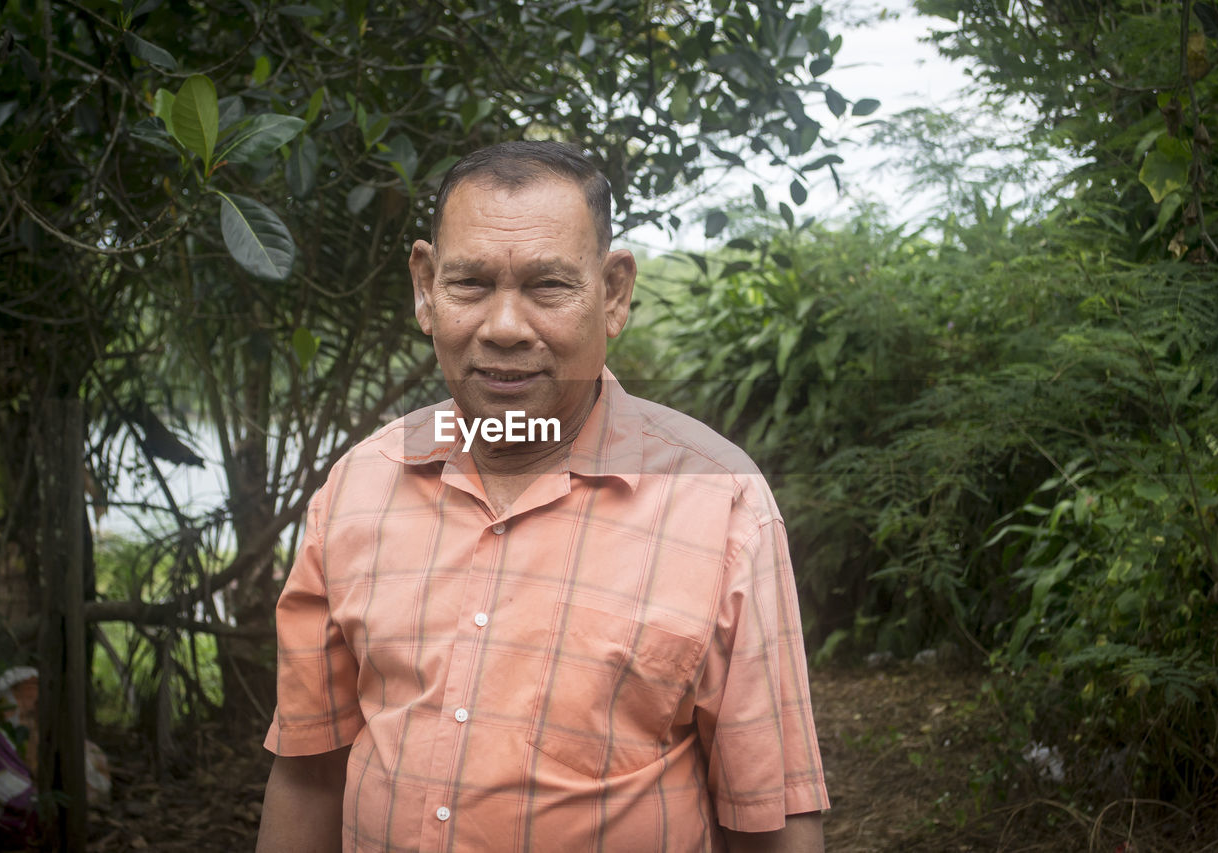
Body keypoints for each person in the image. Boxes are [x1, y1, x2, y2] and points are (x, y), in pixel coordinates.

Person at [256, 141, 829, 852]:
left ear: (613, 293)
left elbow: (769, 814)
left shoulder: (722, 504)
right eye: (469, 284)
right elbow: (309, 773)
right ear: (425, 287)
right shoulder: (356, 489)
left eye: (547, 286)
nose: (503, 327)